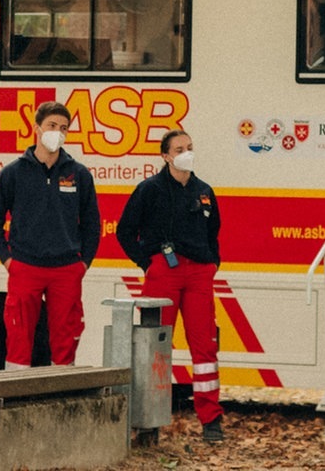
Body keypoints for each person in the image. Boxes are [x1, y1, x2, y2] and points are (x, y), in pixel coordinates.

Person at [114, 130, 225, 442]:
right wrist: (148, 264)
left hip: (199, 275)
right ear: (165, 156)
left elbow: (213, 233)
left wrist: (212, 263)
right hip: (164, 272)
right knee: (155, 348)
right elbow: (125, 232)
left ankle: (211, 421)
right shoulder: (149, 190)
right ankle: (148, 424)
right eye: (179, 148)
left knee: (205, 347)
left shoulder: (204, 191)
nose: (186, 152)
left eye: (190, 147)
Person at [0, 101, 101, 369]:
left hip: (67, 269)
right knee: (18, 336)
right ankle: (14, 396)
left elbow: (92, 223)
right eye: (51, 126)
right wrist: (8, 260)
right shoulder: (13, 173)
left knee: (66, 339)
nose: (57, 132)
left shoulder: (79, 174)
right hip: (25, 266)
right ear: (36, 129)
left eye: (63, 128)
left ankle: (61, 395)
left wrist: (83, 264)